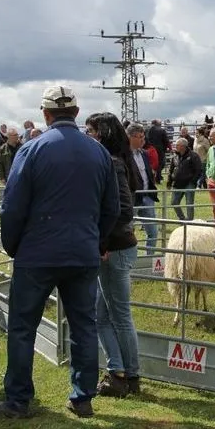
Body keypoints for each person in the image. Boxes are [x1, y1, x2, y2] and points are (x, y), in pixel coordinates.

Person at [0, 86, 119, 420]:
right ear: (76, 113)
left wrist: (13, 245)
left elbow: (13, 206)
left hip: (37, 252)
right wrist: (97, 240)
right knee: (83, 327)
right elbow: (112, 208)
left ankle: (18, 399)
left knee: (22, 326)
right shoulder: (99, 153)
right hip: (82, 252)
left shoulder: (32, 150)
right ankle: (82, 397)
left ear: (46, 114)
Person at [84, 112, 141, 398]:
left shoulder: (114, 162)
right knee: (102, 314)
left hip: (115, 249)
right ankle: (118, 372)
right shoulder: (118, 160)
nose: (87, 135)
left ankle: (128, 375)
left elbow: (123, 209)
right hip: (115, 246)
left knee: (118, 315)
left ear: (103, 133)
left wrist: (102, 242)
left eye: (91, 130)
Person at [126, 123, 159, 255]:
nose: (142, 140)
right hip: (132, 199)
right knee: (129, 232)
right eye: (139, 137)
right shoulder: (124, 155)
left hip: (147, 197)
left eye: (143, 136)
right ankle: (131, 261)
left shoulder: (144, 153)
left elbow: (147, 173)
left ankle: (149, 258)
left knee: (153, 232)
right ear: (129, 137)